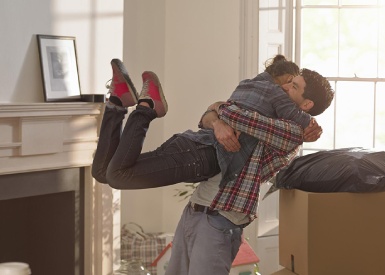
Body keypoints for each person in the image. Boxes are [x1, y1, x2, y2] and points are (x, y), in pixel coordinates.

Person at [91, 56, 333, 274]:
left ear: (306, 105)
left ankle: (143, 107)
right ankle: (117, 102)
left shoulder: (291, 131)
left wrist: (217, 107)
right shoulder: (267, 112)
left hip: (219, 222)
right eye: (289, 81)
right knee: (104, 172)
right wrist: (215, 119)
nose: (282, 87)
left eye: (294, 86)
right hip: (195, 211)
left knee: (117, 174)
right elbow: (208, 119)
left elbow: (236, 115)